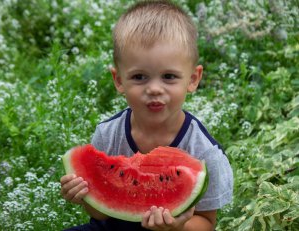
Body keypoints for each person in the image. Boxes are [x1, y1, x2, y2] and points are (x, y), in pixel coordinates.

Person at [60, 0, 233, 230]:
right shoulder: (107, 134)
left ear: (193, 79)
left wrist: (177, 227)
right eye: (139, 77)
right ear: (119, 80)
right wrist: (84, 195)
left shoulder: (204, 152)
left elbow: (206, 223)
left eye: (169, 76)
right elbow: (101, 213)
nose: (154, 89)